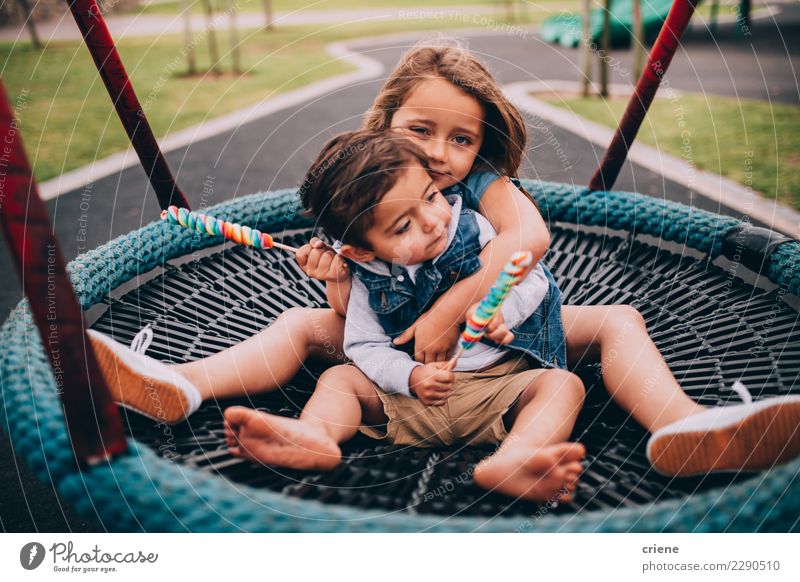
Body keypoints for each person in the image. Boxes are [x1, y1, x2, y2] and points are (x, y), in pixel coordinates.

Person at [88, 39, 800, 479]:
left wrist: (451, 310)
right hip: (399, 357)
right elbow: (360, 322)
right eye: (421, 130)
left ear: (479, 147)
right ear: (386, 120)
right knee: (310, 329)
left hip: (502, 336)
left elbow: (529, 245)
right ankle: (184, 385)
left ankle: (680, 424)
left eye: (461, 140)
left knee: (615, 318)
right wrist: (339, 277)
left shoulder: (476, 188)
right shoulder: (363, 190)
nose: (440, 153)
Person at [225, 129, 587, 502]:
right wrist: (410, 376)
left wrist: (500, 315)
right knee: (341, 378)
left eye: (431, 196)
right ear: (363, 251)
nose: (432, 221)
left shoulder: (473, 230)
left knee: (561, 385)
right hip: (406, 402)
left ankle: (514, 460)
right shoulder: (368, 274)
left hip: (496, 387)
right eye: (403, 226)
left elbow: (529, 283)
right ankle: (316, 436)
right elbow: (364, 346)